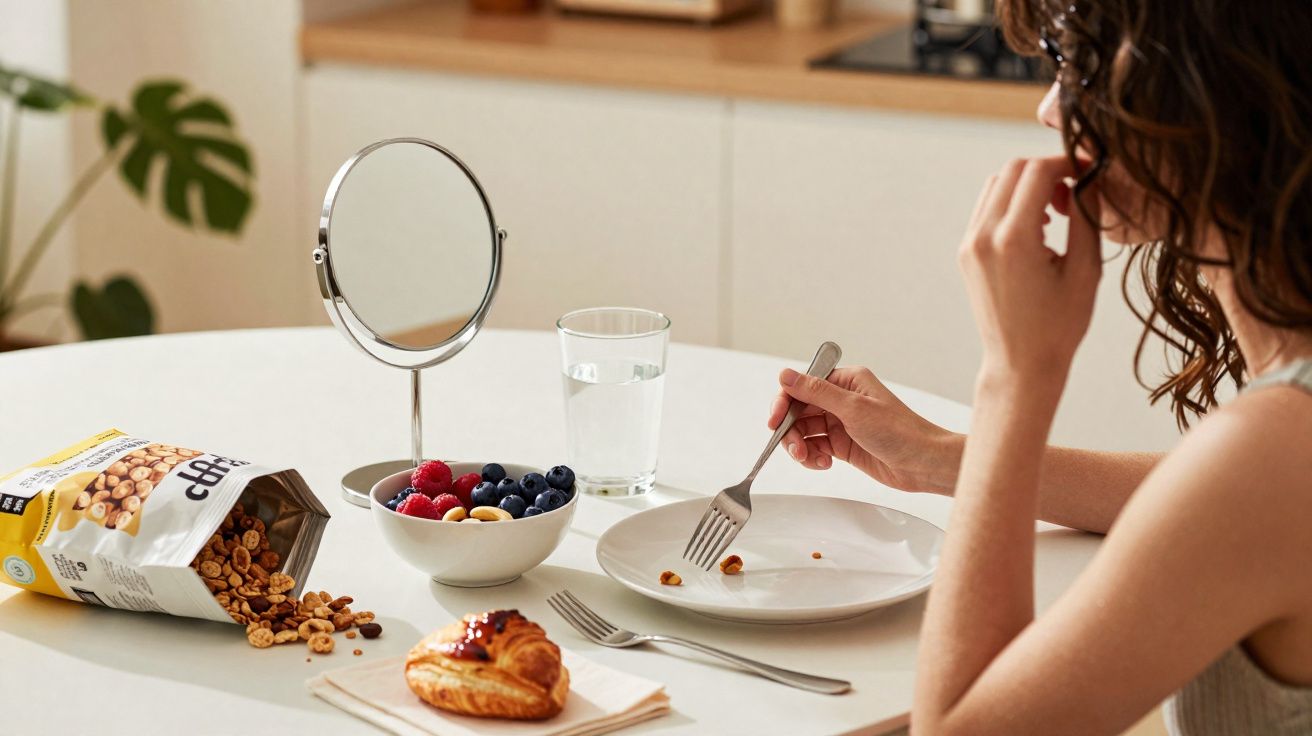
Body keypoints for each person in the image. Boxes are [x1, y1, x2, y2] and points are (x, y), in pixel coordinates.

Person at [766, 2, 1312, 734]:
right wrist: (940, 460)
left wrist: (1015, 379)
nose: (1050, 106)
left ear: (1209, 90)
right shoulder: (1272, 460)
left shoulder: (1272, 456)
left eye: (1077, 62)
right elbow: (1211, 508)